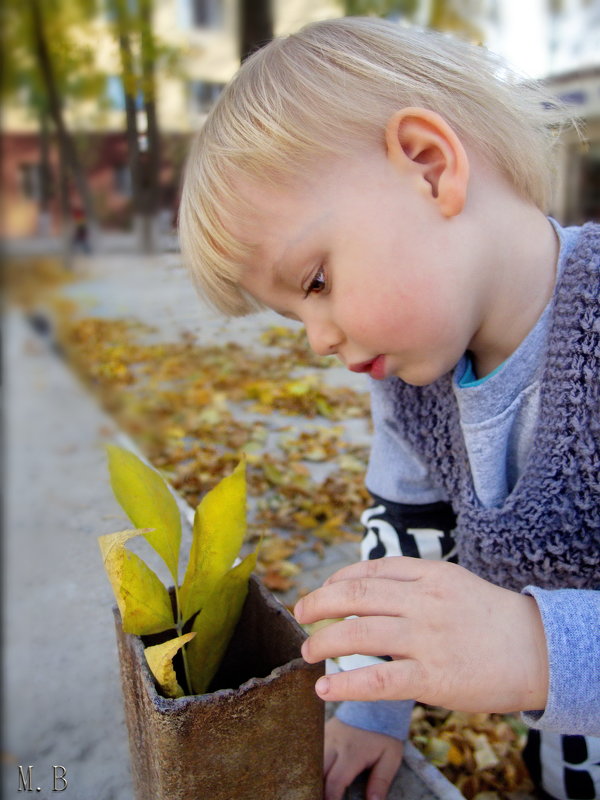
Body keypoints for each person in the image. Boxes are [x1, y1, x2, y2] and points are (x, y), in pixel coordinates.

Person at [178, 17, 599, 800]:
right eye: (294, 317)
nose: (316, 340)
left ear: (431, 166)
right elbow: (404, 552)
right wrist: (371, 712)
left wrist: (545, 652)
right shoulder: (411, 384)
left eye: (314, 283)